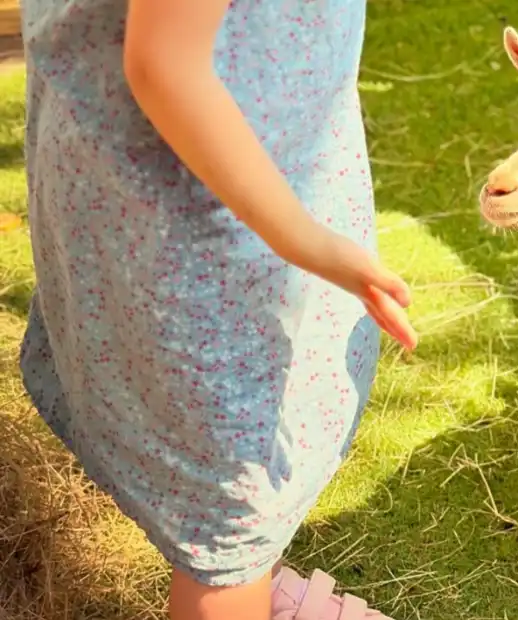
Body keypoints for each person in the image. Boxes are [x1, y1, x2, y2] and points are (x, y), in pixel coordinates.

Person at [18, 0, 418, 618]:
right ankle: (234, 596)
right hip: (198, 227)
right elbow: (164, 64)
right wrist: (303, 238)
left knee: (227, 460)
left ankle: (255, 584)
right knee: (231, 485)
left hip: (218, 172)